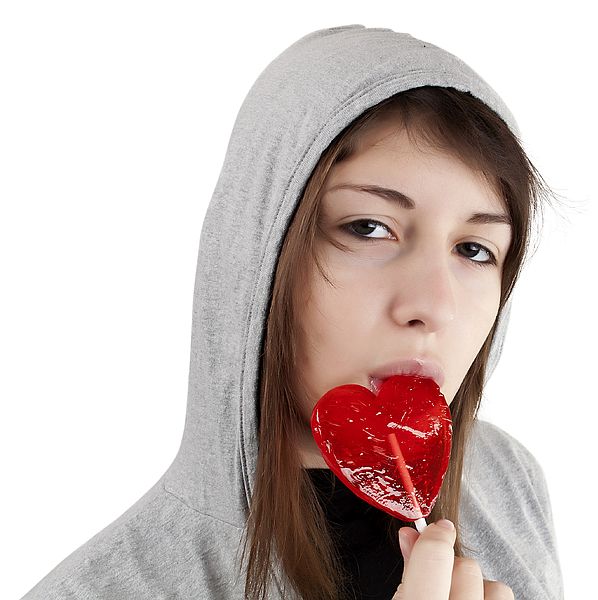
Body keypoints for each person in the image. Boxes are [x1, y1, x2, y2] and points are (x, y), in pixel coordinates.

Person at [22, 25, 562, 600]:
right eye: (368, 228)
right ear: (260, 250)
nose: (432, 307)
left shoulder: (509, 482)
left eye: (474, 250)